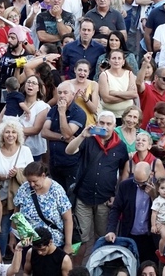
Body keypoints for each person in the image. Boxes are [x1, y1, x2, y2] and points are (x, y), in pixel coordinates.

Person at [63, 110, 128, 256]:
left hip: (105, 198)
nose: (105, 126)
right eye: (102, 123)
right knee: (81, 239)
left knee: (103, 237)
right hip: (83, 196)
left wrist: (117, 194)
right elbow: (69, 150)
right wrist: (81, 135)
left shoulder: (120, 146)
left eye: (108, 124)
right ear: (97, 123)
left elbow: (124, 170)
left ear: (114, 125)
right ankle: (77, 271)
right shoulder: (88, 139)